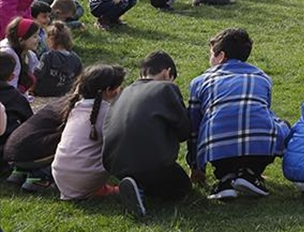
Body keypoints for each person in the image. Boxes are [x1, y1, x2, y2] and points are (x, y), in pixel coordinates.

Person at [188, 28, 291, 200]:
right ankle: (250, 173)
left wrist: (196, 166)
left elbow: (193, 126)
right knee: (276, 123)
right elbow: (264, 112)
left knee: (215, 126)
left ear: (220, 56)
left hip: (217, 146)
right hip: (260, 144)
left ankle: (226, 179)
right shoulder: (263, 77)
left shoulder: (200, 81)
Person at [101, 52, 192, 217]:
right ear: (167, 72)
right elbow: (184, 130)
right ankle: (142, 190)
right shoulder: (166, 88)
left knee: (149, 176)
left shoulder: (123, 93)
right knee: (182, 186)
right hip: (154, 163)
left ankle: (136, 187)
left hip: (115, 164)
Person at [51, 64, 126, 200]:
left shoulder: (75, 107)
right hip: (85, 177)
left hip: (60, 175)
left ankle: (96, 189)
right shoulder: (107, 113)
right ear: (109, 90)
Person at [32, 23, 81, 98]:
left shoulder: (47, 56)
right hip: (65, 91)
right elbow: (79, 77)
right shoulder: (75, 58)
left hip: (44, 91)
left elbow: (37, 74)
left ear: (51, 39)